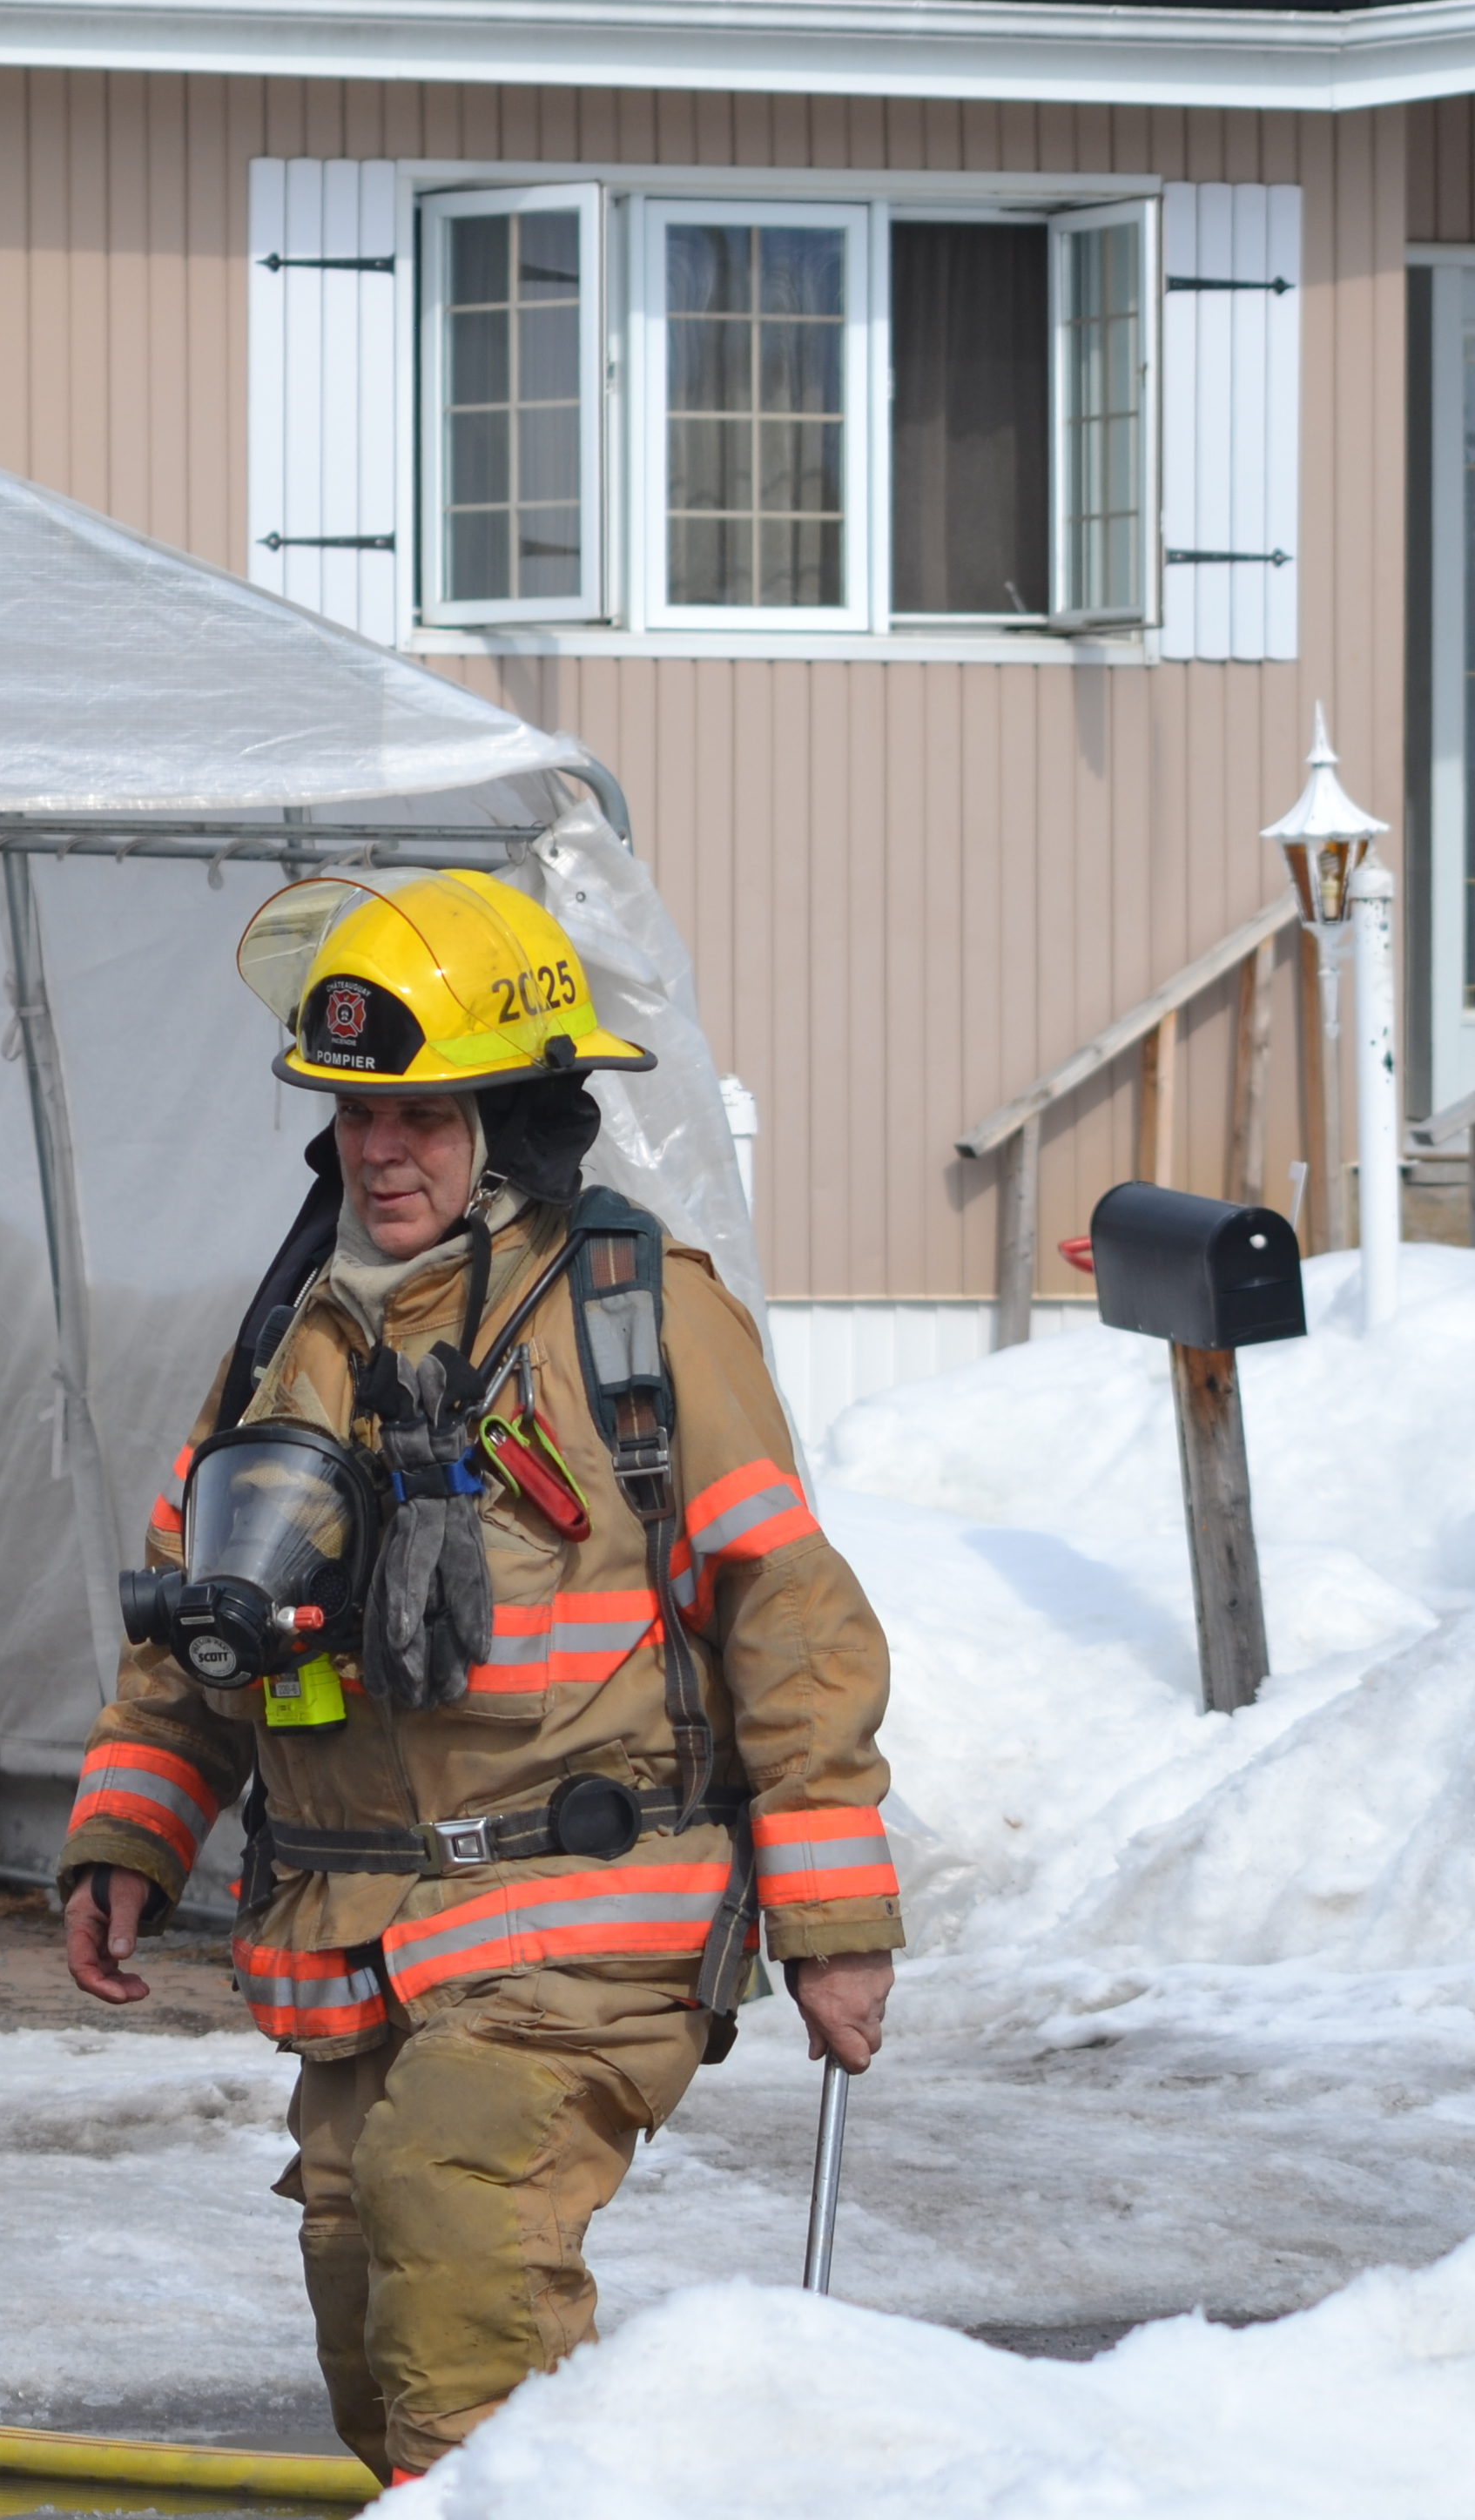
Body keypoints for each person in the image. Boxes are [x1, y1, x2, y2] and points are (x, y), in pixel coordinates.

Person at [57, 869, 900, 2484]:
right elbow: (198, 1622)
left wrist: (836, 1925)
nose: (382, 1152)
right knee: (374, 2336)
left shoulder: (639, 1320)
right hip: (359, 1940)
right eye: (358, 1117)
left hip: (582, 1921)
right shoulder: (287, 1336)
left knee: (458, 2256)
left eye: (426, 1117)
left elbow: (789, 1612)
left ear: (516, 1118)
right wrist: (131, 1834)